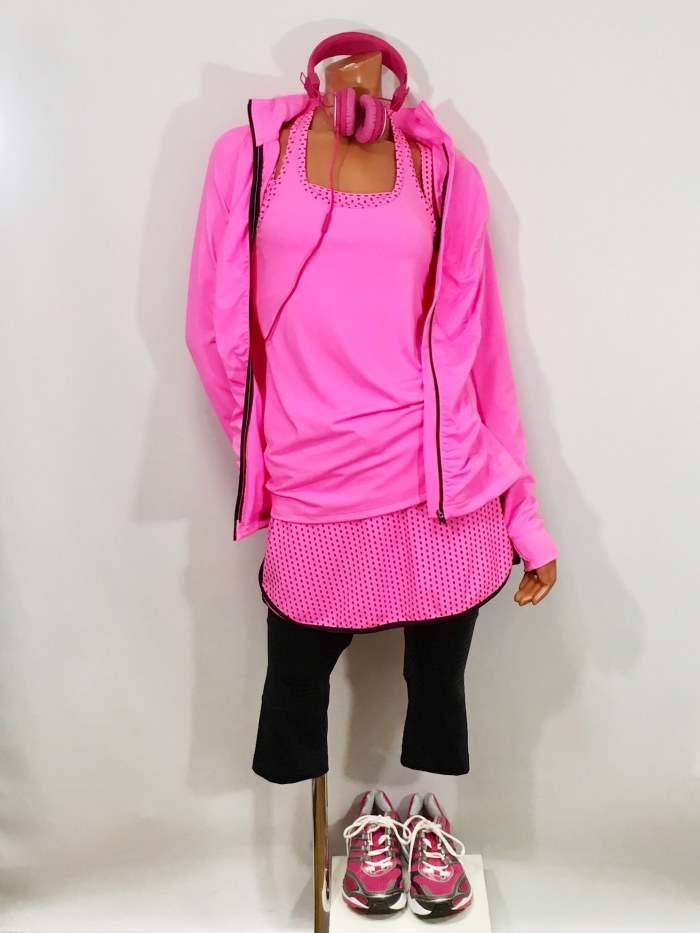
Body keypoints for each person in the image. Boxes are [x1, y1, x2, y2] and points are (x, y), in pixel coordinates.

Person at [185, 32, 558, 787]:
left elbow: (481, 353)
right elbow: (210, 331)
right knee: (293, 698)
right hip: (315, 482)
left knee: (439, 697)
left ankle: (420, 822)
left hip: (440, 490)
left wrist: (524, 514)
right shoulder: (250, 156)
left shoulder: (441, 172)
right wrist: (271, 450)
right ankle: (311, 848)